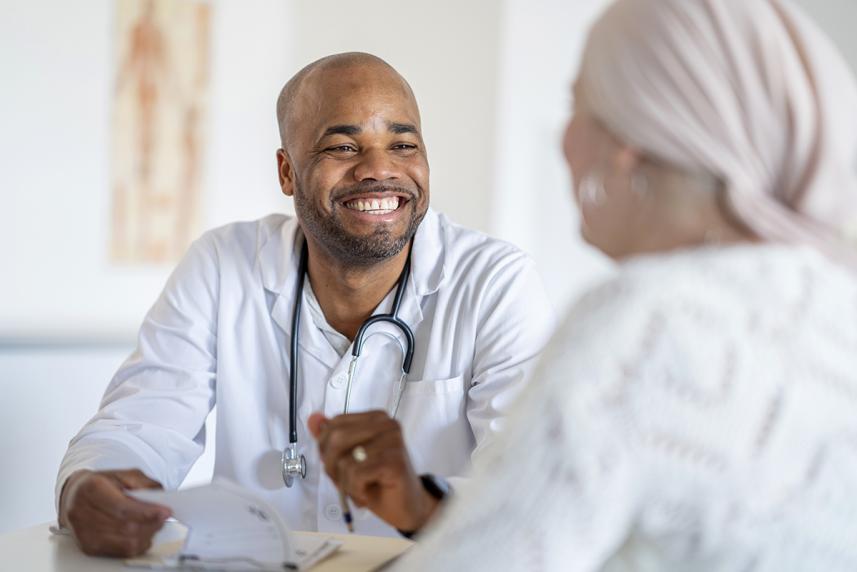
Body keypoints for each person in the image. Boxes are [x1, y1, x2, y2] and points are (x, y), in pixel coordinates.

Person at [394, 0, 857, 569]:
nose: (563, 140)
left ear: (629, 150)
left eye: (578, 106)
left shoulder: (647, 321)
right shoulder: (840, 302)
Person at [56, 52, 554, 557]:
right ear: (287, 172)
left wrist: (422, 505)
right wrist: (87, 486)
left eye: (403, 144)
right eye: (343, 146)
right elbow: (139, 424)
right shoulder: (223, 265)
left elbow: (533, 492)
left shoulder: (494, 284)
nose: (380, 168)